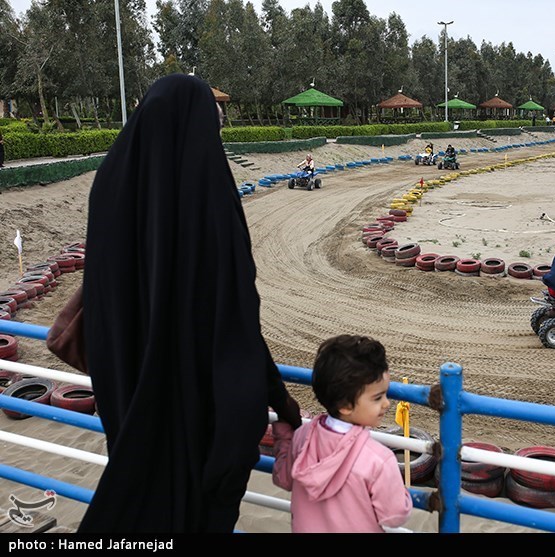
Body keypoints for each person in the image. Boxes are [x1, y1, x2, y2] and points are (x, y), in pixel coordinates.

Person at [77, 74, 302, 532]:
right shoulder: (209, 205)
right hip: (198, 416)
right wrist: (281, 400)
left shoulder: (111, 186)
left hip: (128, 394)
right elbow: (235, 320)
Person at [272, 334, 413, 533]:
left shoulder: (302, 436)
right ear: (345, 405)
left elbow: (283, 479)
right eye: (378, 397)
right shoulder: (379, 460)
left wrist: (285, 435)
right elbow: (394, 516)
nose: (387, 403)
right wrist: (403, 496)